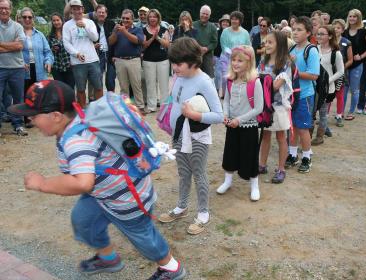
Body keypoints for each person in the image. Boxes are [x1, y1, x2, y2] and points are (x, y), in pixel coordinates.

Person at [8, 79, 186, 280]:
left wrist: (42, 184)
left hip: (126, 199)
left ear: (56, 116)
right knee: (83, 220)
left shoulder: (76, 141)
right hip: (102, 193)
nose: (30, 121)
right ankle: (108, 258)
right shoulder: (77, 120)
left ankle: (171, 268)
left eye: (33, 116)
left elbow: (82, 183)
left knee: (143, 237)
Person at [158, 38, 223, 235]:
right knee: (183, 172)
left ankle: (203, 214)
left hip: (196, 136)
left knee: (198, 173)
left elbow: (219, 116)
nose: (174, 67)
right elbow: (176, 102)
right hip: (179, 134)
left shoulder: (204, 82)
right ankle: (182, 207)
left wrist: (195, 115)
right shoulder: (179, 76)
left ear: (193, 62)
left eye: (179, 64)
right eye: (173, 63)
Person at [216, 45, 263, 200]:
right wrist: (225, 115)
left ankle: (254, 185)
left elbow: (258, 108)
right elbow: (226, 100)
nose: (235, 63)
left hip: (248, 125)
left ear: (248, 63)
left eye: (240, 61)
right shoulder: (230, 80)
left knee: (250, 155)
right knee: (230, 152)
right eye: (233, 60)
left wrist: (239, 119)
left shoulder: (255, 82)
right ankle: (227, 180)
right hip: (232, 125)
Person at [258, 31, 293, 184]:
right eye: (266, 42)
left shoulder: (285, 63)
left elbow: (274, 87)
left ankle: (281, 169)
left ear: (280, 44)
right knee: (265, 136)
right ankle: (262, 164)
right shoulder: (262, 62)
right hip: (265, 107)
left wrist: (262, 84)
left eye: (270, 42)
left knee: (280, 137)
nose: (267, 45)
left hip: (278, 107)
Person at [286, 16, 320, 173]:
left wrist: (294, 70)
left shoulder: (311, 50)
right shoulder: (292, 49)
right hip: (291, 94)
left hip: (305, 95)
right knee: (291, 126)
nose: (295, 33)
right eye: (294, 29)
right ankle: (292, 155)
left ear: (308, 32)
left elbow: (314, 75)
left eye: (299, 30)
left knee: (303, 128)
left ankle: (307, 157)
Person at [62, 0, 103, 108]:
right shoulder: (67, 25)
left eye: (79, 8)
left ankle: (101, 111)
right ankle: (83, 114)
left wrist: (85, 26)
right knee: (80, 89)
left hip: (93, 59)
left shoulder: (89, 22)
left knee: (98, 87)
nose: (77, 11)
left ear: (82, 9)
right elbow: (66, 43)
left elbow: (95, 38)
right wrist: (76, 54)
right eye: (74, 9)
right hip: (77, 62)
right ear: (71, 10)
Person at [21, 7, 54, 128]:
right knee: (26, 93)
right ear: (20, 19)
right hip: (23, 69)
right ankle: (28, 118)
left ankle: (39, 118)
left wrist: (48, 61)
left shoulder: (40, 35)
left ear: (33, 18)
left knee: (38, 94)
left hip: (39, 68)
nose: (27, 19)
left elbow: (48, 52)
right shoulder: (17, 34)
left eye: (30, 17)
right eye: (24, 17)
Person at [311, 25, 344, 145]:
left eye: (322, 34)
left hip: (327, 88)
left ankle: (319, 137)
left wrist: (328, 80)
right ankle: (308, 135)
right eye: (317, 34)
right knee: (311, 112)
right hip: (313, 87)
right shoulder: (313, 49)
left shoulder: (336, 53)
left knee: (323, 114)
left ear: (330, 36)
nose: (318, 36)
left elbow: (341, 71)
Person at [108, 9, 145, 112]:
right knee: (123, 86)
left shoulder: (138, 29)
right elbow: (110, 42)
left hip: (133, 60)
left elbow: (138, 41)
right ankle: (126, 107)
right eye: (123, 18)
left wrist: (124, 32)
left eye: (127, 18)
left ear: (132, 19)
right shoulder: (117, 29)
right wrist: (115, 32)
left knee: (136, 85)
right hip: (120, 61)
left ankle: (140, 107)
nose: (125, 20)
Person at [0, 0, 28, 137]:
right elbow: (15, 46)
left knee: (18, 98)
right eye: (1, 8)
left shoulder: (17, 26)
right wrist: (12, 45)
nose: (3, 11)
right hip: (0, 68)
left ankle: (18, 125)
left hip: (17, 68)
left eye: (6, 8)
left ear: (10, 10)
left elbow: (20, 46)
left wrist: (2, 46)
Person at [343, 9, 366, 118]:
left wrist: (361, 56)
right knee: (344, 89)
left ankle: (351, 112)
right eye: (350, 16)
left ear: (359, 18)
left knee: (354, 89)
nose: (352, 18)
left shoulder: (364, 32)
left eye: (355, 16)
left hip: (358, 64)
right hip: (345, 64)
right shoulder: (344, 31)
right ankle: (341, 112)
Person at [142, 9, 170, 113]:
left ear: (158, 18)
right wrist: (152, 38)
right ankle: (151, 106)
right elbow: (143, 46)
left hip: (163, 60)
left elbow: (167, 45)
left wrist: (157, 37)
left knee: (164, 84)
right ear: (148, 18)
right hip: (148, 60)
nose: (152, 18)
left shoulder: (164, 29)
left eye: (155, 16)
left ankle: (164, 107)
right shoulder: (144, 30)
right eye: (150, 16)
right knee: (150, 84)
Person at [219, 11, 250, 98]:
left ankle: (236, 96)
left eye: (236, 19)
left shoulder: (245, 33)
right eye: (232, 19)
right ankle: (225, 95)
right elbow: (223, 45)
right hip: (226, 58)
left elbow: (248, 46)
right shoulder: (225, 31)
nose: (233, 21)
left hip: (241, 60)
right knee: (226, 78)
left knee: (238, 79)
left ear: (240, 21)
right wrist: (233, 53)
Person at [88, 4, 116, 92]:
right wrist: (93, 46)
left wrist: (116, 54)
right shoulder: (91, 24)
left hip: (110, 54)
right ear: (95, 13)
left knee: (110, 79)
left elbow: (116, 40)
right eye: (99, 12)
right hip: (97, 54)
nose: (101, 14)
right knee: (97, 77)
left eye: (103, 12)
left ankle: (111, 98)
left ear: (106, 14)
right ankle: (98, 99)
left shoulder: (111, 23)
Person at [331, 18, 353, 126]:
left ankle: (339, 115)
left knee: (340, 95)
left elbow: (350, 60)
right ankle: (324, 116)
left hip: (341, 74)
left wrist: (342, 67)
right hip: (329, 73)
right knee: (328, 95)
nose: (336, 29)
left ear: (343, 30)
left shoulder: (347, 42)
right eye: (334, 27)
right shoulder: (328, 41)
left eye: (338, 28)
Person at [48, 13, 75, 90]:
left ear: (62, 21)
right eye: (54, 21)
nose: (56, 22)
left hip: (69, 64)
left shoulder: (68, 33)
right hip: (57, 66)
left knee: (70, 88)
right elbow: (47, 51)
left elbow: (74, 47)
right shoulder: (50, 36)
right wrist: (52, 49)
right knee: (60, 89)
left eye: (58, 20)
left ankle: (71, 102)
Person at [193, 5, 218, 78]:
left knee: (208, 78)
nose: (204, 15)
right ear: (200, 13)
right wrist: (199, 47)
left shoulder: (213, 27)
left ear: (209, 16)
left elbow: (214, 42)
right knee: (195, 77)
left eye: (207, 14)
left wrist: (206, 48)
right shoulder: (193, 25)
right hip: (195, 56)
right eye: (203, 13)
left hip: (208, 57)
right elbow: (190, 39)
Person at [214, 14, 230, 96]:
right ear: (220, 23)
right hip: (217, 57)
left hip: (228, 58)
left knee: (225, 77)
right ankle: (216, 92)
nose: (225, 23)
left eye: (227, 22)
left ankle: (224, 94)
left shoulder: (231, 34)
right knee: (217, 76)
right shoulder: (217, 32)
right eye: (224, 21)